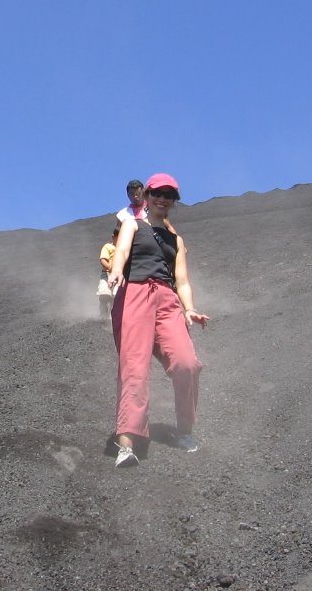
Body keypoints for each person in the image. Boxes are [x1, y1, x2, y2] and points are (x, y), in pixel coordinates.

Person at [107, 173, 210, 468]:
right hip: (136, 293)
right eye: (158, 193)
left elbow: (182, 280)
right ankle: (127, 442)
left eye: (170, 195)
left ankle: (184, 429)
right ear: (148, 196)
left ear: (174, 201)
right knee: (134, 366)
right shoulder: (132, 224)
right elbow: (123, 250)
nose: (163, 199)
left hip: (166, 299)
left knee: (186, 363)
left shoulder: (175, 239)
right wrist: (116, 271)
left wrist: (189, 308)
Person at [97, 226, 121, 320]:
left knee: (115, 297)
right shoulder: (108, 247)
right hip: (107, 274)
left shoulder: (124, 249)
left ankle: (112, 318)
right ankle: (103, 314)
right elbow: (103, 260)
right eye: (118, 239)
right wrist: (109, 268)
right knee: (104, 294)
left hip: (119, 276)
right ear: (113, 237)